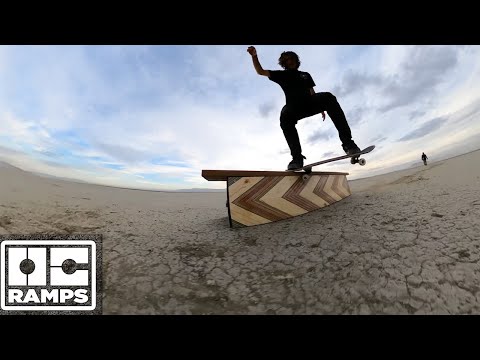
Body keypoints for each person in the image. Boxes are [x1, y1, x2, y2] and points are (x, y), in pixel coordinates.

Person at [247, 46, 362, 170]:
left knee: (329, 97)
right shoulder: (281, 75)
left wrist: (322, 108)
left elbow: (312, 91)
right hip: (294, 108)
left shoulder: (305, 75)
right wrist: (254, 56)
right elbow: (260, 71)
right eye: (286, 61)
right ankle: (297, 158)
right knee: (284, 115)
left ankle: (348, 144)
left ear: (296, 60)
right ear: (284, 64)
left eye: (291, 59)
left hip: (310, 103)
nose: (290, 62)